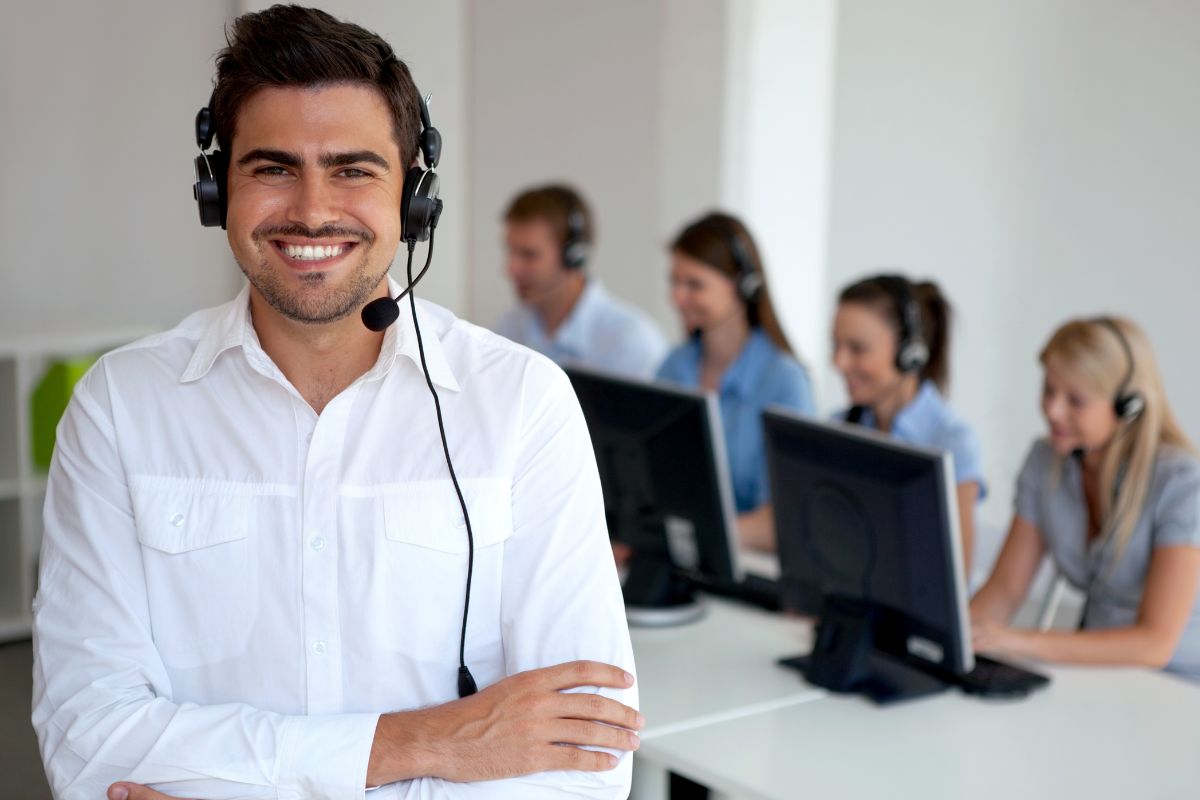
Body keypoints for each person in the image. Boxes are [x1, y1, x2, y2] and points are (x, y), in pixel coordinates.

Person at [31, 6, 640, 799]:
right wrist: (424, 742)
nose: (313, 209)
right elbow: (89, 745)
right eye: (273, 167)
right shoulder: (120, 406)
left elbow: (586, 761)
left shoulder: (521, 403)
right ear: (217, 189)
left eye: (353, 169)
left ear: (414, 199)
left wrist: (234, 775)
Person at [970, 317, 1200, 678]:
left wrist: (1015, 641)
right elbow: (1006, 589)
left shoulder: (1183, 484)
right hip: (1095, 673)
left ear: (1128, 406)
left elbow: (1155, 644)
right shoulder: (1045, 462)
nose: (1052, 410)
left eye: (1075, 400)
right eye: (1048, 390)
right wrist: (955, 635)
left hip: (1180, 683)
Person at [655, 211, 814, 551]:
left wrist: (694, 539)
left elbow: (784, 518)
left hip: (746, 568)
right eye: (674, 282)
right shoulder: (673, 366)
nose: (677, 298)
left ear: (745, 286)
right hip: (676, 560)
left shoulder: (785, 382)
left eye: (694, 284)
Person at [831, 274, 985, 572]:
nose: (839, 362)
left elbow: (955, 573)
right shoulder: (839, 425)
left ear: (909, 354)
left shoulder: (951, 442)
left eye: (857, 348)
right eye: (835, 345)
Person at [494, 184, 668, 378]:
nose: (510, 268)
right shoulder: (511, 326)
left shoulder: (632, 343)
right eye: (511, 251)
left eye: (529, 255)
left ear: (574, 256)